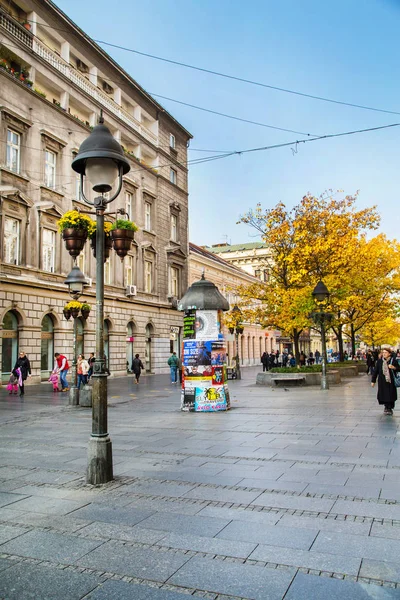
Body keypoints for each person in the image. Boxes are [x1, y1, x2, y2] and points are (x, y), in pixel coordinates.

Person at [371, 346, 400, 415]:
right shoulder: (379, 361)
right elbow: (376, 371)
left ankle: (389, 407)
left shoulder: (393, 361)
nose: (384, 354)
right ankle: (386, 407)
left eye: (385, 352)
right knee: (384, 395)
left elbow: (399, 368)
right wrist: (373, 381)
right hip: (382, 381)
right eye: (383, 352)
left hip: (391, 381)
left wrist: (394, 367)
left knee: (390, 395)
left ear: (389, 353)